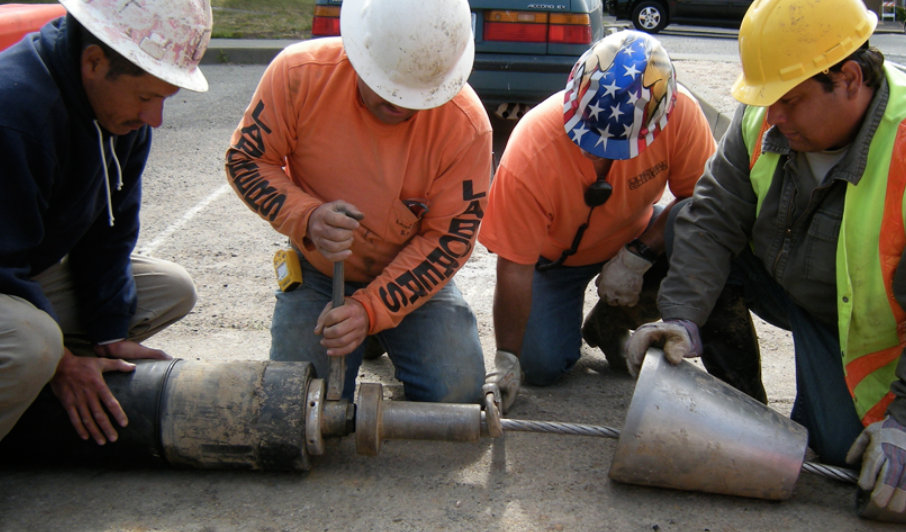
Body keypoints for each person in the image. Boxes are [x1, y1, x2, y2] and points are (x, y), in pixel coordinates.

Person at [625, 0, 906, 515]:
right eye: (768, 98)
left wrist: (904, 425)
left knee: (849, 462)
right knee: (687, 218)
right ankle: (745, 406)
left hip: (864, 329)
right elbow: (712, 215)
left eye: (791, 99)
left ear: (848, 78)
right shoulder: (766, 115)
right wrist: (683, 317)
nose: (771, 115)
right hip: (787, 280)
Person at [225, 0, 491, 403]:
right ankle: (373, 334)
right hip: (320, 271)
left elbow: (448, 240)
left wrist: (370, 309)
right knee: (297, 404)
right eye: (388, 88)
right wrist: (307, 217)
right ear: (359, 52)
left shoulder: (465, 124)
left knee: (457, 395)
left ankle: (379, 327)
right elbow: (245, 159)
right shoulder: (299, 74)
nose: (400, 105)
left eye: (417, 96)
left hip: (409, 275)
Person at [0, 0, 212, 445]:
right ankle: (34, 370)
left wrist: (109, 330)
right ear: (94, 61)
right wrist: (58, 360)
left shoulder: (120, 119)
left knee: (170, 290)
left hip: (14, 272)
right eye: (147, 97)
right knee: (30, 345)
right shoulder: (14, 113)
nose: (155, 118)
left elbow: (110, 233)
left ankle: (34, 380)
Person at [479, 30, 716, 412]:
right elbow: (515, 267)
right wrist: (507, 358)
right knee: (539, 365)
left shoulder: (679, 112)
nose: (598, 156)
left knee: (697, 224)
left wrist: (638, 255)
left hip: (636, 237)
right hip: (553, 263)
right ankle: (573, 325)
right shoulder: (530, 150)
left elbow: (702, 200)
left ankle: (612, 322)